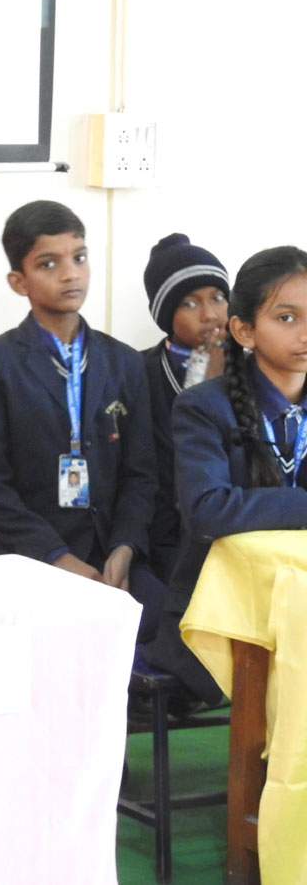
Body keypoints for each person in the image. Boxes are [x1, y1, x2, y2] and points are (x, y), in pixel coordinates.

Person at [0, 200, 163, 642]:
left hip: (110, 556)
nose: (71, 274)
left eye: (79, 258)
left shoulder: (124, 363)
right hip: (27, 559)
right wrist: (58, 559)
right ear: (19, 281)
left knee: (172, 626)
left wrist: (125, 548)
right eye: (48, 264)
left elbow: (141, 474)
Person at [142, 245, 307, 703]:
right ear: (244, 330)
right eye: (287, 318)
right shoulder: (203, 406)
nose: (304, 333)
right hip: (223, 613)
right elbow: (207, 509)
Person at [139, 234, 230, 581]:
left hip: (231, 534)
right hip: (162, 540)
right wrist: (203, 383)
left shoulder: (256, 368)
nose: (210, 315)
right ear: (166, 315)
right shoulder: (139, 372)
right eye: (190, 303)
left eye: (218, 298)